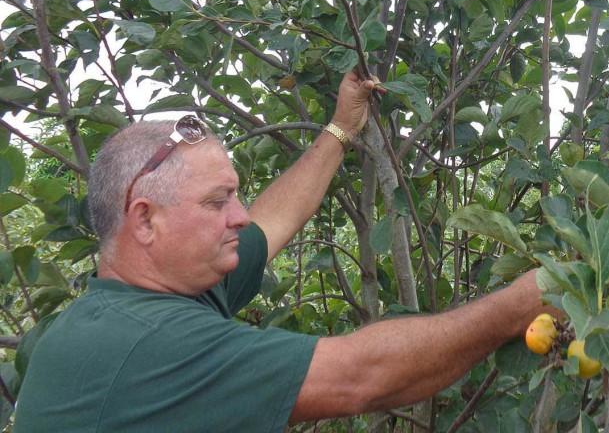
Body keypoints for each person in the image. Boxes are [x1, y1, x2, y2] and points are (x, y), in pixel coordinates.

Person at [14, 70, 556, 432]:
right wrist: (517, 307)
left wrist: (342, 128)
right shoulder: (148, 345)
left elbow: (275, 219)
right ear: (146, 221)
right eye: (217, 201)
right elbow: (360, 376)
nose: (239, 215)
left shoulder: (164, 289)